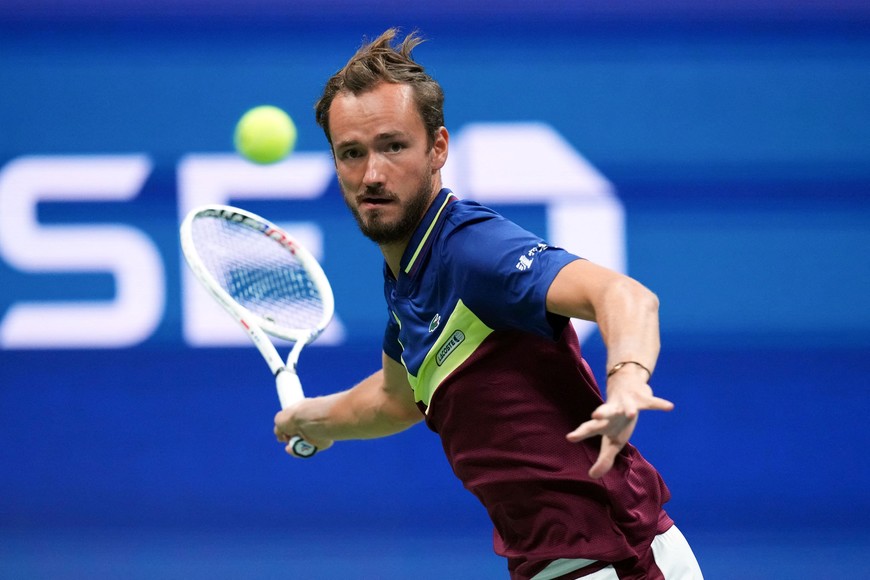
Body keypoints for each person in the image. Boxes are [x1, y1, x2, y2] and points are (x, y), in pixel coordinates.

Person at [274, 28, 703, 580]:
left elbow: (624, 295)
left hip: (616, 559)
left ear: (438, 148)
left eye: (393, 146)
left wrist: (626, 380)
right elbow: (395, 398)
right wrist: (313, 419)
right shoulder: (410, 278)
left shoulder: (473, 249)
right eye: (351, 153)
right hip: (555, 563)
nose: (372, 174)